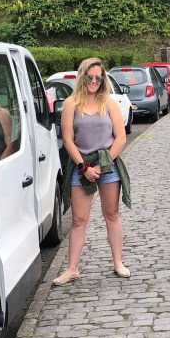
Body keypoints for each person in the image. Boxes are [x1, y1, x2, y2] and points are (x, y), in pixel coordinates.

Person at [52, 57, 131, 285]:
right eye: (90, 76)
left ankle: (118, 262)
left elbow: (121, 137)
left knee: (111, 214)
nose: (94, 81)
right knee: (78, 219)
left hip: (107, 163)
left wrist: (101, 165)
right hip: (81, 164)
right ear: (82, 76)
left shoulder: (109, 103)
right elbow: (68, 139)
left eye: (98, 77)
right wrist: (83, 167)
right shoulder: (71, 104)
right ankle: (72, 269)